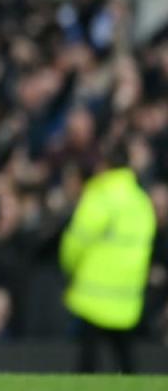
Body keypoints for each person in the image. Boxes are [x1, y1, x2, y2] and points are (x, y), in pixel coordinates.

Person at [60, 156, 155, 373]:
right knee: (126, 360)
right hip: (127, 295)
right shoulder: (140, 200)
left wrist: (70, 268)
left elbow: (76, 242)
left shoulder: (100, 197)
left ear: (105, 166)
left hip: (93, 292)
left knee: (87, 361)